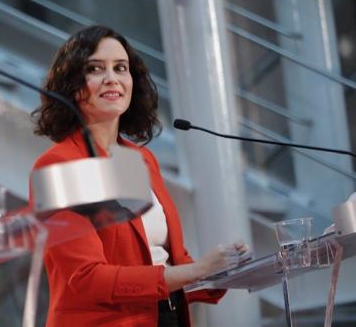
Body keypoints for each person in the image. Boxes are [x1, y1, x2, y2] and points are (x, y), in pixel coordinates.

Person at [29, 25, 247, 327]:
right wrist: (197, 270)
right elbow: (87, 278)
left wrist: (220, 271)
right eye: (95, 68)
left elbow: (159, 257)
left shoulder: (138, 158)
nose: (112, 78)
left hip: (167, 316)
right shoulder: (59, 165)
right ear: (73, 86)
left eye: (121, 68)